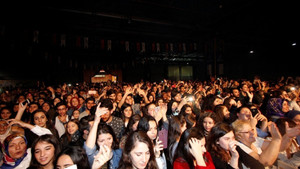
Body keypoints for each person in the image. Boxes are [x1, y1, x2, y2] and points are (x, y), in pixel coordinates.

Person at [84, 102, 122, 169]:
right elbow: (88, 149)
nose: (106, 143)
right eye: (101, 141)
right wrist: (96, 122)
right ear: (96, 142)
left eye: (109, 139)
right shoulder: (94, 156)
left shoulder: (119, 153)